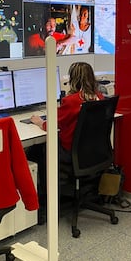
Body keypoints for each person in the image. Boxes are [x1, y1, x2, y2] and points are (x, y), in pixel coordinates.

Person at [27, 62, 104, 224]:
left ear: (73, 79)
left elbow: (51, 125)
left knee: (37, 151)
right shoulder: (99, 97)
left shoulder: (71, 101)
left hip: (71, 154)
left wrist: (38, 121)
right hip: (94, 153)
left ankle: (44, 204)